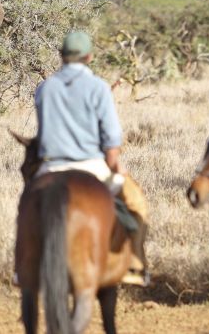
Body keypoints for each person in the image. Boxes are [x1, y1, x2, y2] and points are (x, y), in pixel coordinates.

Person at [34, 30, 150, 286]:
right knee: (137, 203)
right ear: (89, 57)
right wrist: (115, 163)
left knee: (28, 208)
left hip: (50, 168)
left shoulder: (44, 88)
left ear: (61, 56)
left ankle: (24, 269)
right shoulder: (98, 88)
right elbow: (112, 139)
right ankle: (134, 265)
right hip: (92, 167)